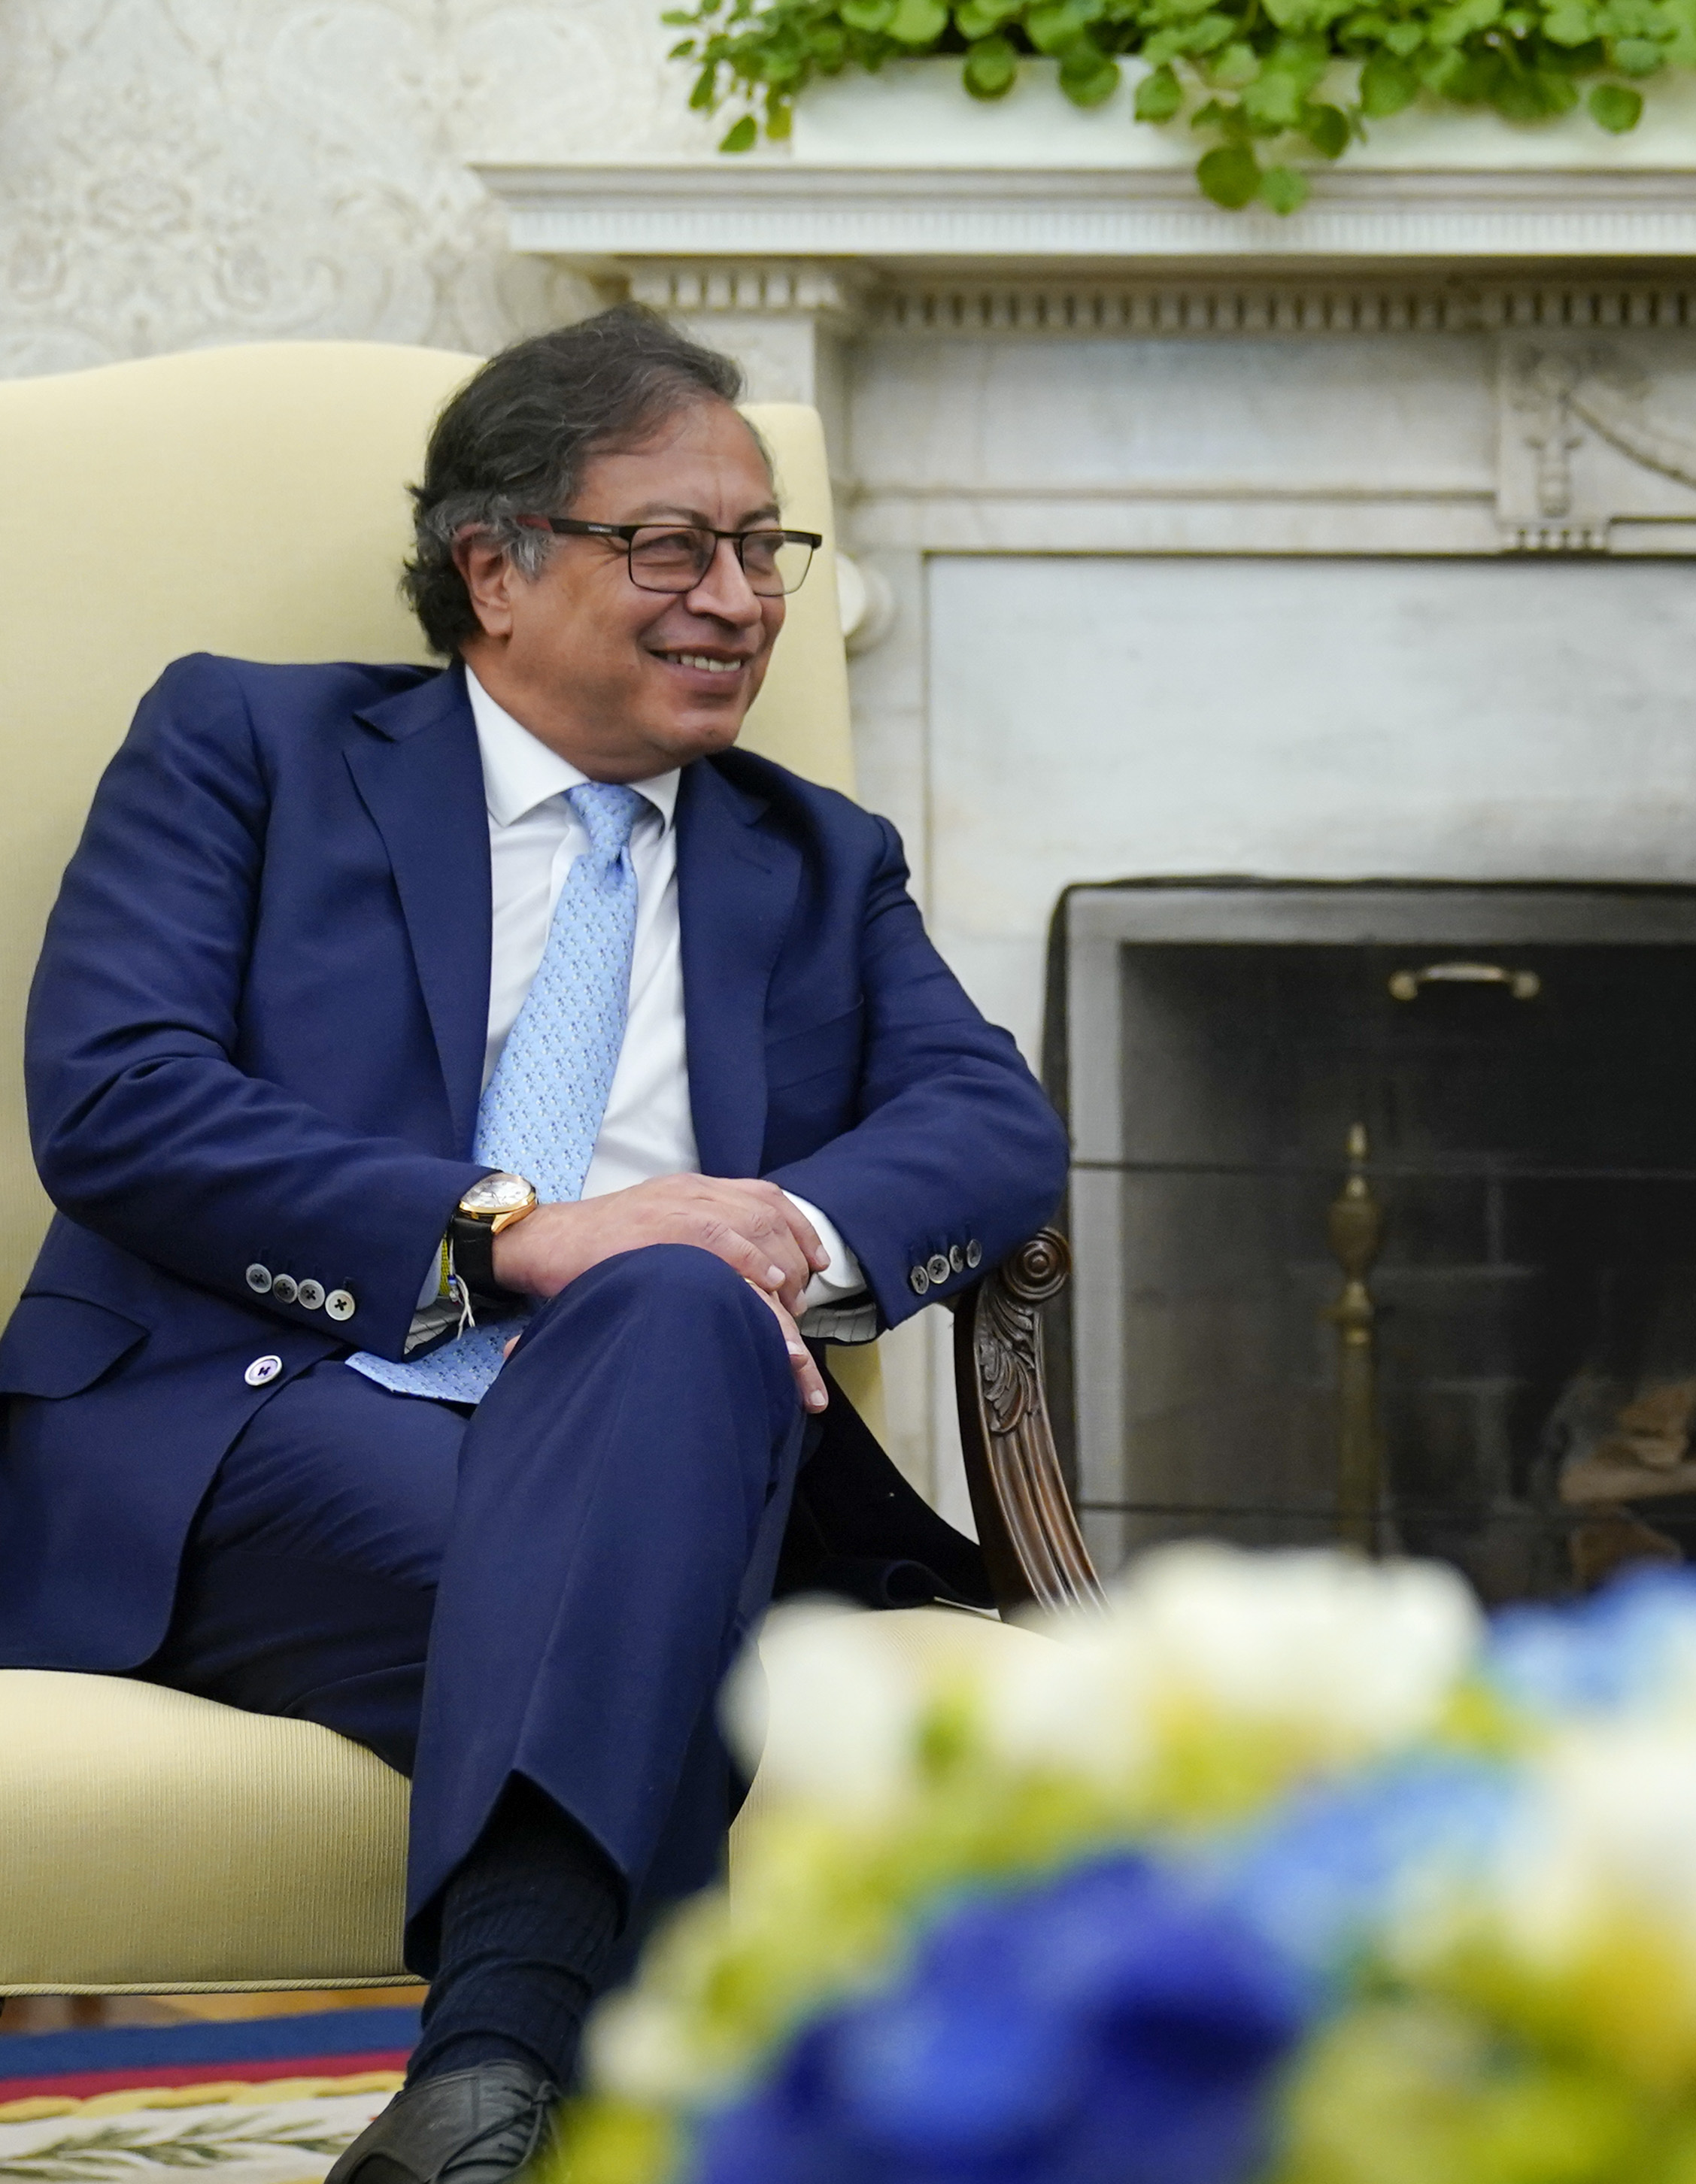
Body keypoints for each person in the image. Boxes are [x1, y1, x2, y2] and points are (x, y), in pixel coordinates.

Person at [0, 306, 1068, 2184]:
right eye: (671, 546)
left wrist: (757, 1241)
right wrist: (522, 1236)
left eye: (764, 550)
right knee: (662, 1595)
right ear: (492, 569)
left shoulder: (814, 858)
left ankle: (486, 2090)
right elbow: (120, 1095)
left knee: (670, 1316)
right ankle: (595, 2098)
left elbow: (993, 1131)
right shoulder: (247, 743)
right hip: (258, 1421)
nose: (737, 598)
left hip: (666, 1418)